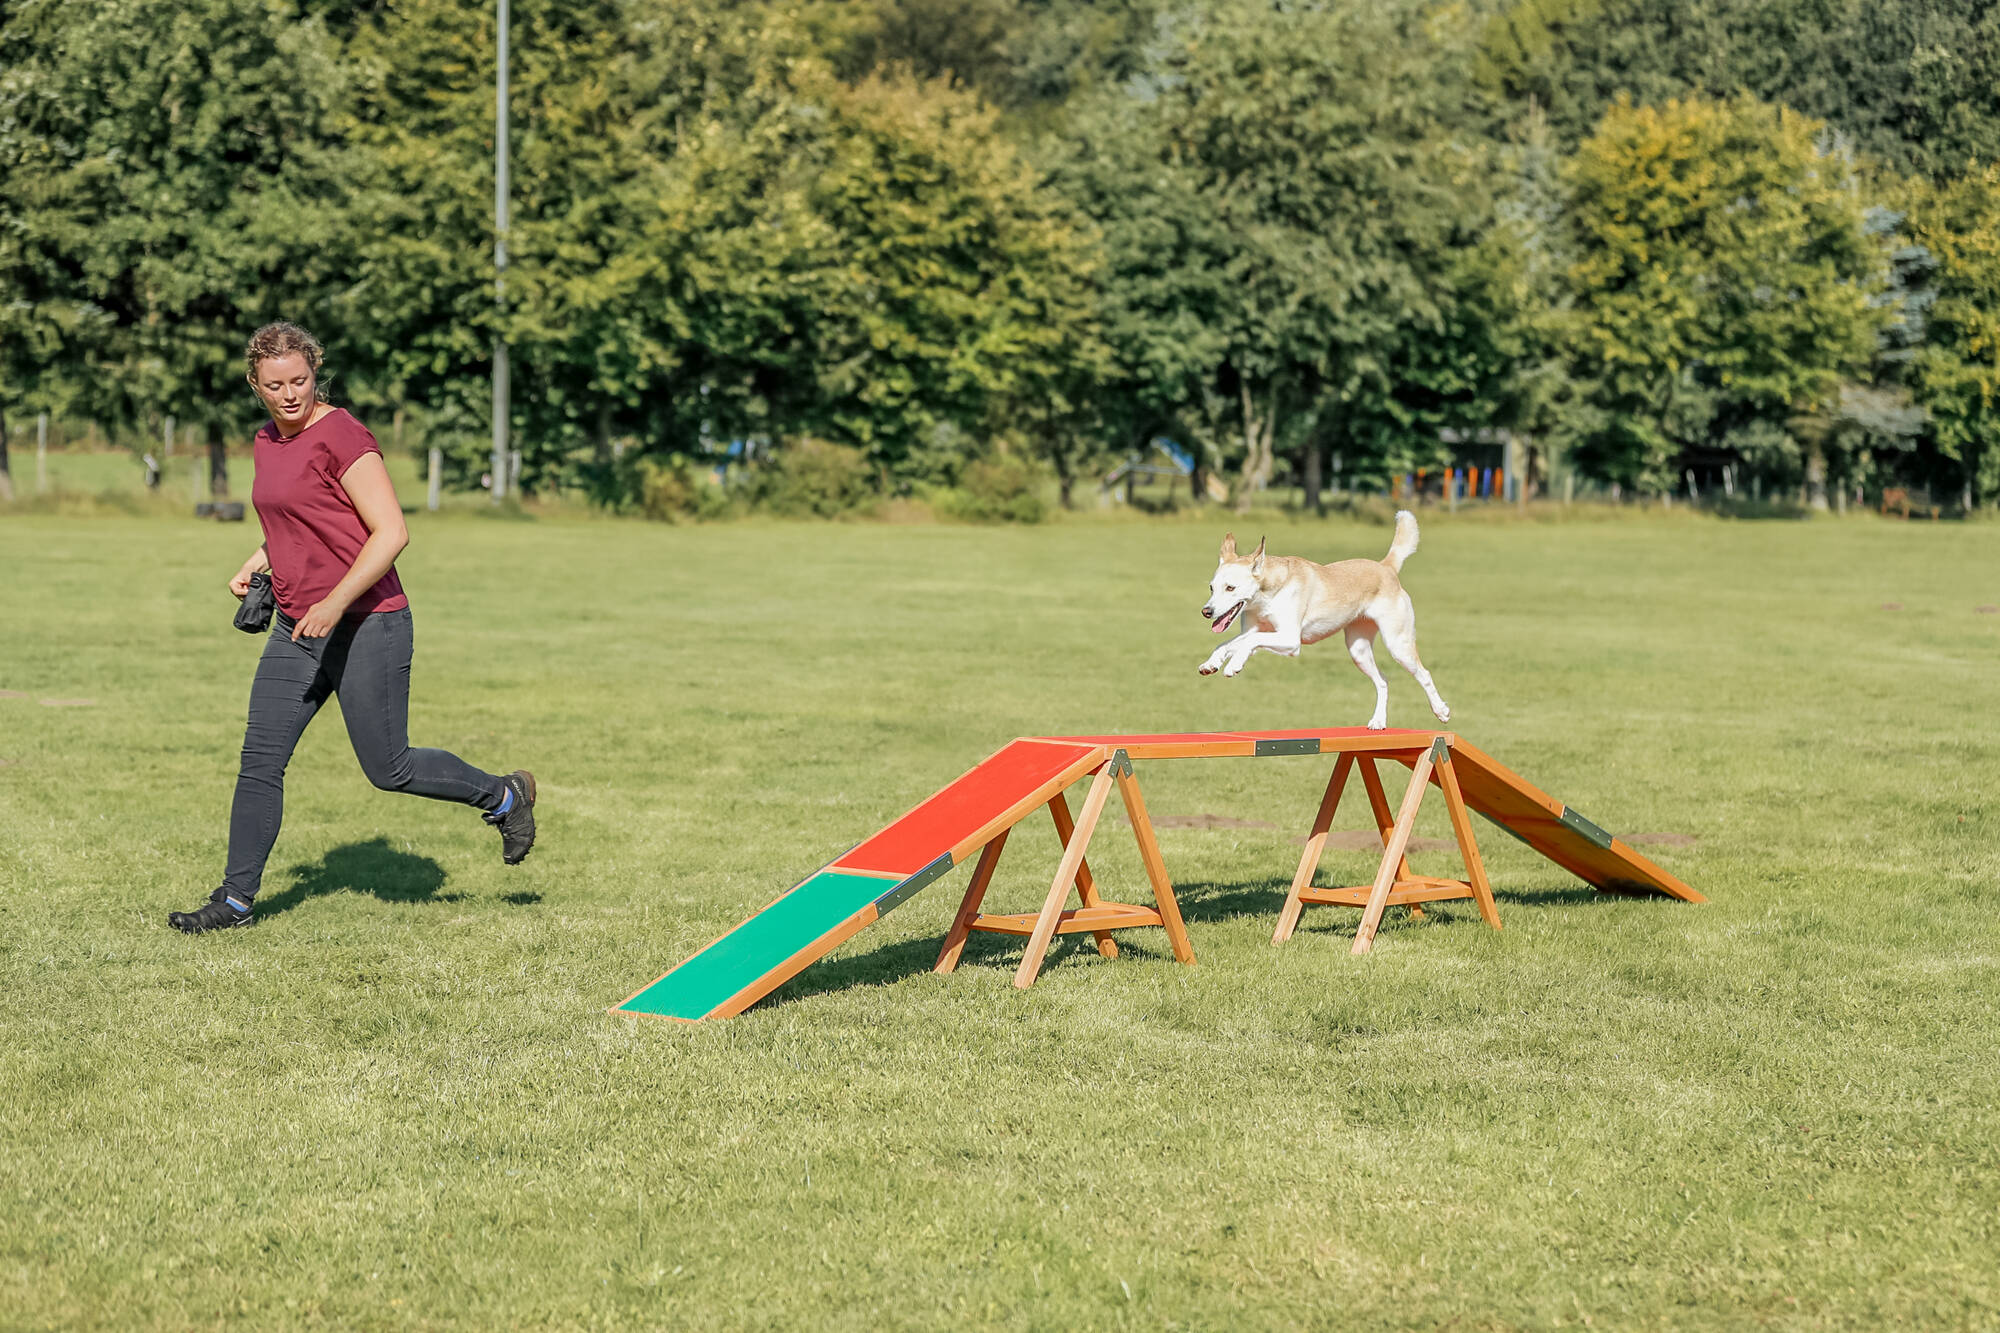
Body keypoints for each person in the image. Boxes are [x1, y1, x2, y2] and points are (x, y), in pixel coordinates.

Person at [168, 321, 536, 933]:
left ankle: (505, 796)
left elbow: (391, 532)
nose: (290, 395)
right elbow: (299, 518)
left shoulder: (343, 436)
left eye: (300, 380)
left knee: (390, 769)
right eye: (275, 385)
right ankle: (234, 902)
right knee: (260, 761)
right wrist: (258, 559)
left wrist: (336, 603)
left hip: (368, 623)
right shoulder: (266, 441)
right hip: (296, 625)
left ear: (315, 372)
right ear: (255, 385)